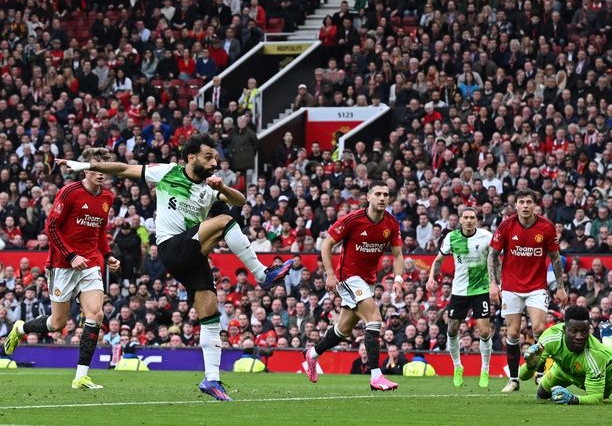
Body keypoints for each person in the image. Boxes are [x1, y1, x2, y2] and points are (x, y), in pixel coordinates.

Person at [54, 134, 292, 401]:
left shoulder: (210, 186)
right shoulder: (167, 172)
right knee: (224, 221)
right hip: (171, 247)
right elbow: (122, 168)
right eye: (208, 156)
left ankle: (212, 379)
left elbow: (241, 201)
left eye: (215, 157)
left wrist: (222, 188)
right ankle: (262, 274)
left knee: (210, 311)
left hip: (191, 253)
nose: (215, 162)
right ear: (191, 158)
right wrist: (84, 165)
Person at [4, 148, 121, 389]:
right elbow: (52, 229)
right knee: (58, 323)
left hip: (90, 263)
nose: (101, 173)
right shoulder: (69, 192)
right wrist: (71, 255)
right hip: (62, 265)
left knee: (95, 314)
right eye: (96, 167)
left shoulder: (107, 197)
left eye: (104, 168)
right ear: (85, 168)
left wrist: (107, 255)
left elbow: (100, 231)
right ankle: (21, 328)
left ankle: (81, 377)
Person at [304, 182, 404, 391]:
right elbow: (326, 244)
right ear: (369, 197)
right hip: (348, 277)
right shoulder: (353, 220)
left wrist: (398, 279)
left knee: (343, 330)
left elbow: (397, 255)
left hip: (368, 280)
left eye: (386, 194)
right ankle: (376, 376)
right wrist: (330, 274)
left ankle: (312, 355)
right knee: (374, 320)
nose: (382, 198)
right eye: (378, 194)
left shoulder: (392, 224)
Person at [487, 189, 567, 392]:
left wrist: (561, 287)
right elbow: (492, 255)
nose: (525, 205)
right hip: (511, 288)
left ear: (535, 205)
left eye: (528, 202)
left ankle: (540, 373)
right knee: (513, 333)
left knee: (540, 329)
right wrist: (493, 283)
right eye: (521, 202)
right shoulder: (506, 225)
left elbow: (555, 258)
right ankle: (514, 380)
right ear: (516, 206)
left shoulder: (546, 227)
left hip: (536, 286)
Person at [428, 207, 493, 388]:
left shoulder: (486, 236)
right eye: (466, 217)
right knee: (452, 330)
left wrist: (497, 283)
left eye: (473, 217)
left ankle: (485, 369)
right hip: (459, 291)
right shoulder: (452, 237)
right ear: (460, 220)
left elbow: (497, 258)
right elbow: (439, 260)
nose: (470, 220)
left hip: (481, 289)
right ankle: (457, 367)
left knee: (484, 331)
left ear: (476, 220)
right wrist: (431, 277)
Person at [519, 306, 612, 405]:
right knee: (541, 395)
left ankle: (607, 338)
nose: (579, 337)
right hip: (563, 370)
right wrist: (530, 365)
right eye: (574, 331)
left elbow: (596, 398)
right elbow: (522, 377)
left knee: (609, 354)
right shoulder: (550, 338)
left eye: (584, 331)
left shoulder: (596, 354)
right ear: (564, 329)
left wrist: (572, 399)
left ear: (589, 329)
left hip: (606, 372)